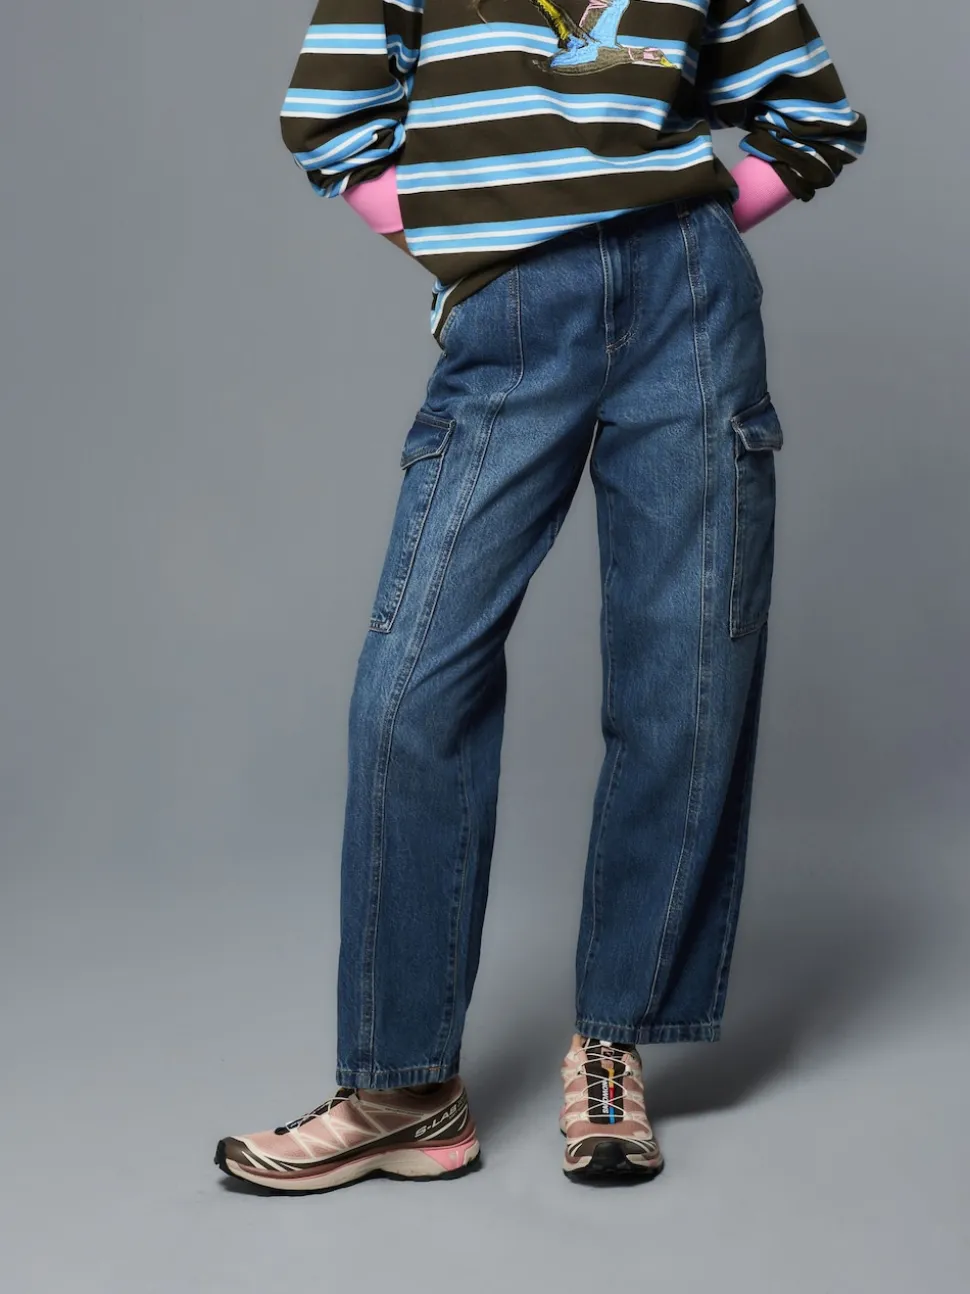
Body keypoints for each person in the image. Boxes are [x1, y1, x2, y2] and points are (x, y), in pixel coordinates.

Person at [215, 0, 866, 1191]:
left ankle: (612, 1045)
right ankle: (404, 1088)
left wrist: (687, 227)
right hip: (511, 312)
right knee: (412, 686)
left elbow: (810, 117)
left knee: (684, 680)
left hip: (689, 302)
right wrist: (472, 242)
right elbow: (329, 118)